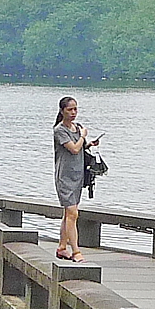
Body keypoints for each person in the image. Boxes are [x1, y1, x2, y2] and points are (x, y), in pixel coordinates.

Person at [53, 98, 99, 261]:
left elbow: (80, 148)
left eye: (75, 109)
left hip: (77, 175)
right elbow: (73, 149)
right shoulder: (60, 130)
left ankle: (62, 247)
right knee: (73, 213)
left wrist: (89, 144)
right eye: (70, 110)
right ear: (62, 111)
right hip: (65, 176)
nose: (73, 113)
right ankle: (76, 251)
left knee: (68, 214)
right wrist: (82, 136)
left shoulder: (77, 127)